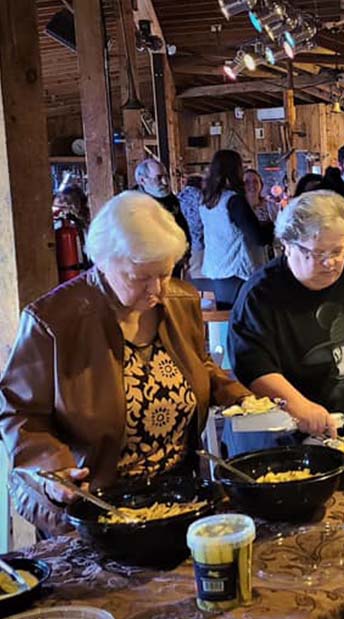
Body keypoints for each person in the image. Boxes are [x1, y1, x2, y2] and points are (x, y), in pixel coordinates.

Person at [0, 191, 252, 536]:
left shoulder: (180, 301)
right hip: (97, 507)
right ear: (103, 261)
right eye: (141, 277)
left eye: (166, 273)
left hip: (178, 497)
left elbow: (199, 364)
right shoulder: (53, 322)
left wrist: (241, 398)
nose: (159, 290)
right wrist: (54, 470)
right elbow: (21, 413)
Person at [228, 190, 344, 446]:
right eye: (319, 254)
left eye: (339, 251)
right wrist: (300, 406)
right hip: (290, 436)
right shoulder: (260, 295)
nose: (332, 263)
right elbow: (253, 366)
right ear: (288, 245)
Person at [199, 150, 273, 309]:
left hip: (217, 266)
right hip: (237, 269)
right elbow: (259, 237)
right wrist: (269, 223)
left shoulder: (207, 200)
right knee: (241, 316)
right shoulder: (234, 200)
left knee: (225, 315)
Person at [135, 158, 192, 274]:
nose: (165, 182)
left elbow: (182, 225)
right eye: (158, 178)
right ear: (143, 180)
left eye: (166, 177)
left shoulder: (170, 199)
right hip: (150, 268)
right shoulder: (132, 204)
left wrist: (186, 253)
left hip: (174, 261)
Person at [178, 175, 205, 278]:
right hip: (198, 243)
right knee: (199, 277)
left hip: (182, 243)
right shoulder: (201, 197)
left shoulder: (179, 197)